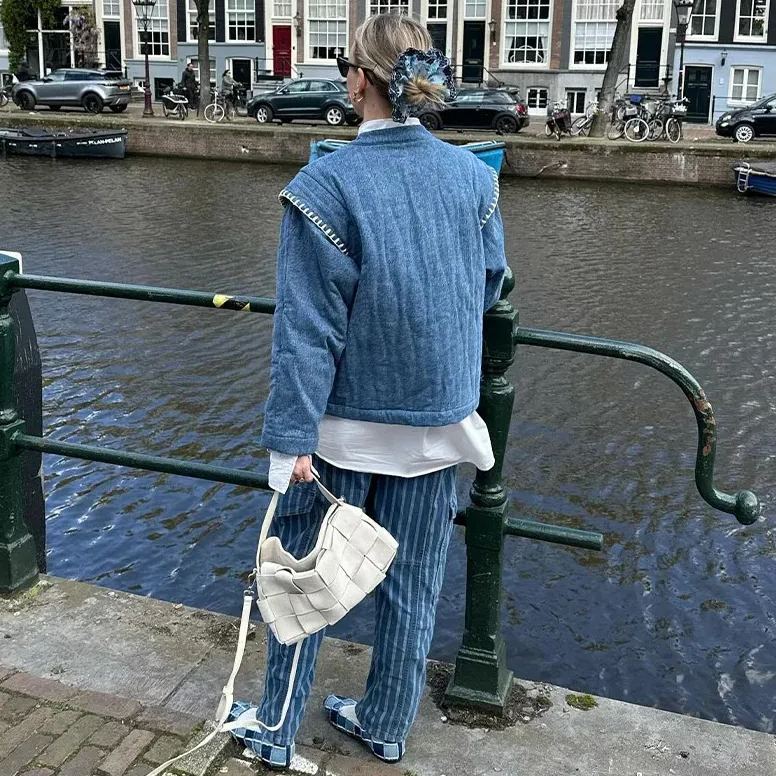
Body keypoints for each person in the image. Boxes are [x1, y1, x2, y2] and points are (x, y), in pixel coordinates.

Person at [227, 12, 507, 771]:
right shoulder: (474, 180)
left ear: (358, 82)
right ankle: (385, 723)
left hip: (343, 428)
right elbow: (490, 284)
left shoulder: (326, 186)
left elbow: (307, 329)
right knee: (414, 583)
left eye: (346, 68)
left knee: (305, 579)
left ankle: (276, 730)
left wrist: (289, 440)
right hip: (438, 424)